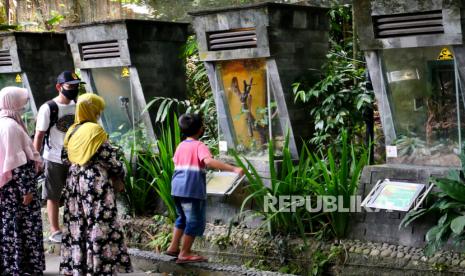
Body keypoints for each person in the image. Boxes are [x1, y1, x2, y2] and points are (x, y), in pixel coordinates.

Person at [60, 93, 132, 275]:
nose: (100, 112)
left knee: (78, 224)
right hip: (95, 183)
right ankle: (100, 267)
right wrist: (120, 174)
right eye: (98, 109)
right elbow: (109, 159)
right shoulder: (95, 130)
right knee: (100, 223)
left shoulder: (72, 130)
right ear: (92, 110)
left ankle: (79, 267)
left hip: (75, 182)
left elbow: (64, 158)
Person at [165, 113, 244, 263]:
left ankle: (173, 248)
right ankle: (185, 253)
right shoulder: (200, 146)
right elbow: (208, 162)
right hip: (191, 190)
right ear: (201, 129)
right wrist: (233, 169)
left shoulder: (181, 145)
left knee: (181, 218)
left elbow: (180, 162)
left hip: (177, 188)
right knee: (194, 221)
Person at [0, 86, 45, 275]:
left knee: (10, 226)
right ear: (13, 102)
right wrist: (26, 190)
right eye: (22, 102)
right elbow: (16, 163)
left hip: (9, 190)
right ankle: (21, 267)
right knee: (20, 227)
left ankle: (13, 265)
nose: (24, 105)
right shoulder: (10, 127)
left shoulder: (7, 122)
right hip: (16, 190)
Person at [33, 70, 81, 243]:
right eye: (70, 86)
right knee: (53, 195)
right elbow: (39, 136)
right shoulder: (49, 108)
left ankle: (75, 226)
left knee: (77, 193)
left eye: (77, 86)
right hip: (53, 158)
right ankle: (54, 230)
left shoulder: (78, 104)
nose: (74, 89)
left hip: (76, 158)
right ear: (59, 87)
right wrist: (35, 159)